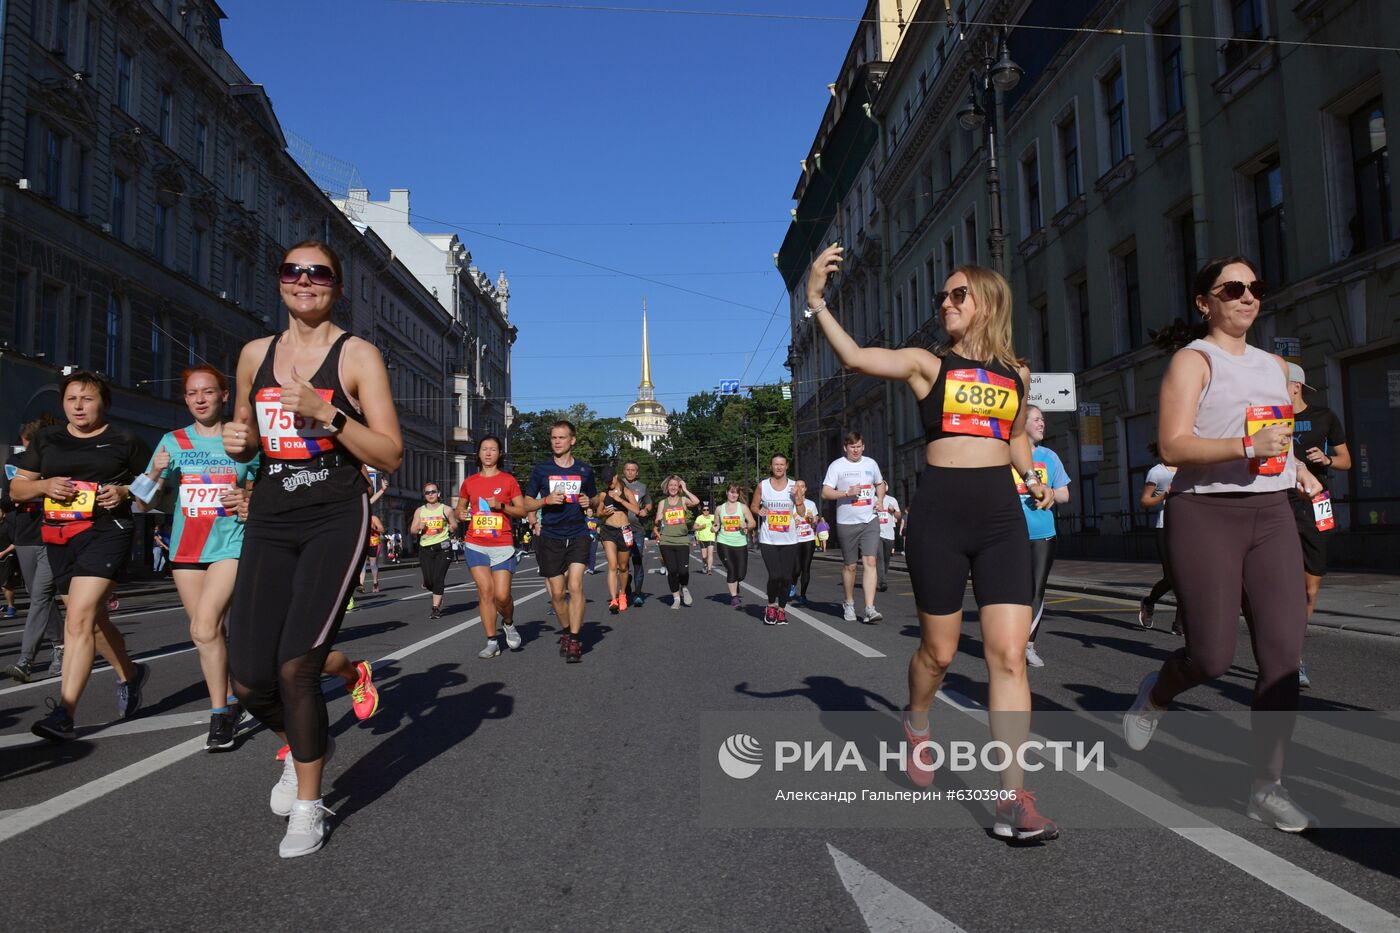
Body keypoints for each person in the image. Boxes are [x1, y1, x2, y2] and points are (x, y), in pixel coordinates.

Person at [807, 246, 1060, 841]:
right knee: (939, 654)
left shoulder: (1016, 375)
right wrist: (817, 299)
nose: (944, 304)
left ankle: (1011, 799)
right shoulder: (927, 364)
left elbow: (1018, 435)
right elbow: (856, 356)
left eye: (957, 295)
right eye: (942, 296)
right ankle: (917, 721)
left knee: (1008, 656)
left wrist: (1035, 478)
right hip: (941, 516)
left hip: (1002, 517)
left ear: (987, 303)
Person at [1123, 256, 1323, 833]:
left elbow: (1275, 439)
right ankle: (1157, 694)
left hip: (1272, 516)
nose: (1246, 296)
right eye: (1231, 288)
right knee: (1210, 657)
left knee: (1282, 660)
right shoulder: (1193, 361)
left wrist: (1297, 473)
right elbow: (1172, 447)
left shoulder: (1278, 367)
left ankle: (1268, 787)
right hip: (1204, 514)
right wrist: (1246, 443)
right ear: (1203, 302)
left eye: (1254, 287)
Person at [221, 240, 403, 857]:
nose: (305, 282)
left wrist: (328, 414)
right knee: (247, 678)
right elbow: (247, 445)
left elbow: (389, 453)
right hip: (271, 514)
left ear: (337, 286)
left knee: (297, 666)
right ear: (278, 284)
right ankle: (303, 745)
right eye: (293, 272)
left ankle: (309, 803)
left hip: (334, 514)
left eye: (318, 273)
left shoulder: (358, 355)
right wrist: (237, 441)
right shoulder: (254, 355)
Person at [12, 371, 151, 740]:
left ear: (103, 402)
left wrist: (124, 491)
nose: (78, 406)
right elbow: (17, 487)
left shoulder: (124, 439)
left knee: (78, 619)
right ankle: (131, 673)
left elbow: (153, 490)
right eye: (72, 398)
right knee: (91, 620)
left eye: (87, 398)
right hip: (59, 535)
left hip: (107, 532)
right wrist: (44, 485)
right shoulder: (47, 438)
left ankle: (64, 712)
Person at [134, 365, 260, 750]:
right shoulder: (172, 441)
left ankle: (220, 715)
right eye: (192, 393)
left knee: (203, 629)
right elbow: (141, 503)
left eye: (208, 392)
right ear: (185, 399)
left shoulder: (241, 441)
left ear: (225, 395)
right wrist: (154, 473)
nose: (200, 399)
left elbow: (261, 493)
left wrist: (248, 499)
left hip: (230, 545)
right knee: (210, 634)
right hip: (186, 549)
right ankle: (236, 698)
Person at [1286, 363, 1350, 689]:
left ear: (1295, 385)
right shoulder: (1265, 417)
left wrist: (1325, 461)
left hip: (1318, 501)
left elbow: (1346, 460)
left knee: (1310, 587)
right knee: (1285, 585)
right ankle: (1293, 657)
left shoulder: (1324, 415)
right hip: (1280, 502)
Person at [521, 420, 598, 663]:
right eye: (553, 437)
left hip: (578, 534)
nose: (557, 442)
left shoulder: (584, 471)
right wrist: (545, 502)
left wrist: (589, 503)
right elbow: (525, 503)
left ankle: (574, 639)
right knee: (557, 594)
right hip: (551, 536)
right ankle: (566, 631)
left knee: (575, 585)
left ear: (572, 440)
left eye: (562, 437)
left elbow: (595, 500)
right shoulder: (541, 470)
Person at [3, 416, 64, 682]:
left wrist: (34, 492)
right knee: (38, 594)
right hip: (26, 536)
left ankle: (25, 660)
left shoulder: (60, 461)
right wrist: (42, 490)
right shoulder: (17, 463)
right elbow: (10, 496)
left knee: (40, 594)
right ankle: (62, 644)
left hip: (54, 534)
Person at [455, 435, 526, 659]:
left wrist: (502, 506)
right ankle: (491, 640)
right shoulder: (470, 482)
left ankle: (508, 623)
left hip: (502, 543)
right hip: (475, 543)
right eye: (484, 449)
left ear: (499, 454)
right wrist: (461, 514)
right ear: (478, 453)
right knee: (486, 592)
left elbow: (522, 511)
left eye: (493, 449)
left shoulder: (508, 481)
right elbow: (460, 509)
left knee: (502, 595)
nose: (488, 453)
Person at [1017, 405, 1071, 668]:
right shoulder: (1007, 455)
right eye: (1037, 419)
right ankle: (1008, 641)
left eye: (1043, 420)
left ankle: (1028, 646)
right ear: (1022, 423)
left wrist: (1047, 489)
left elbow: (1064, 495)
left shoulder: (1049, 456)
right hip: (1010, 533)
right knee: (1013, 590)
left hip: (1043, 534)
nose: (1042, 424)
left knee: (1036, 589)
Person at [822, 433, 886, 624]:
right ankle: (849, 602)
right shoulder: (837, 466)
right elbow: (825, 492)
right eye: (852, 447)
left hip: (869, 520)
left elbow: (879, 484)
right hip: (847, 523)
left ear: (863, 447)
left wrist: (880, 500)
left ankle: (869, 608)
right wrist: (846, 493)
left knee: (870, 561)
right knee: (850, 566)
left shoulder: (871, 464)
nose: (855, 450)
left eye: (858, 446)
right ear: (845, 448)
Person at [752, 454, 799, 626]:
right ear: (771, 467)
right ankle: (771, 605)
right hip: (768, 539)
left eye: (781, 464)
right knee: (775, 575)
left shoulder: (794, 486)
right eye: (775, 464)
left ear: (786, 466)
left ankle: (781, 610)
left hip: (789, 539)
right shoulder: (763, 486)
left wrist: (798, 497)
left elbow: (800, 512)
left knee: (786, 578)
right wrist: (759, 511)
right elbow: (754, 506)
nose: (778, 467)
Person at [1138, 450, 1180, 635]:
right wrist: (1163, 497)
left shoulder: (1189, 469)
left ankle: (1180, 625)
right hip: (1165, 527)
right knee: (1172, 577)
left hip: (1187, 528)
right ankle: (1149, 602)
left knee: (1185, 577)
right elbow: (1145, 501)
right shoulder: (1157, 472)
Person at [411, 481, 457, 620]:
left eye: (433, 492)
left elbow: (454, 524)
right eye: (427, 492)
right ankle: (429, 583)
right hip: (425, 548)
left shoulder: (446, 509)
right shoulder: (420, 511)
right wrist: (419, 526)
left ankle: (435, 608)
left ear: (439, 493)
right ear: (424, 495)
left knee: (438, 577)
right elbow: (412, 530)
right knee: (429, 580)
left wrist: (451, 528)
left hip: (443, 547)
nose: (430, 494)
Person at [653, 475, 700, 610]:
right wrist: (661, 516)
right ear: (667, 487)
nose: (673, 487)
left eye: (676, 485)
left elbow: (696, 501)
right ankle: (676, 598)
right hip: (666, 540)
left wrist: (685, 489)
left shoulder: (683, 500)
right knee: (672, 571)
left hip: (682, 540)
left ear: (678, 487)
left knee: (683, 571)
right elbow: (657, 520)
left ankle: (684, 588)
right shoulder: (663, 502)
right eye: (671, 485)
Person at [598, 471, 640, 614]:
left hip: (624, 531)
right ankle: (613, 599)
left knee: (623, 567)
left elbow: (636, 510)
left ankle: (622, 594)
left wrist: (620, 500)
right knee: (612, 565)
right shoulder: (603, 494)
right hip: (608, 530)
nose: (608, 483)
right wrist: (604, 513)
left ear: (615, 476)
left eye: (610, 480)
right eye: (606, 481)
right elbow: (598, 513)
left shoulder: (626, 492)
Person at [714, 483, 755, 609]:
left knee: (741, 574)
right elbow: (716, 524)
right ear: (727, 492)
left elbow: (752, 522)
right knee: (731, 569)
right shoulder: (720, 509)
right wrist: (714, 528)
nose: (733, 495)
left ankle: (735, 582)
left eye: (736, 493)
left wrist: (747, 526)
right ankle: (734, 597)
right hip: (724, 542)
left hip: (740, 543)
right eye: (731, 492)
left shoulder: (742, 508)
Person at [622, 460, 652, 606]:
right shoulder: (617, 485)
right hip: (620, 529)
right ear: (623, 471)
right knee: (622, 564)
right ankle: (626, 590)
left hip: (637, 529)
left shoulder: (642, 487)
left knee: (637, 561)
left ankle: (638, 594)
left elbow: (649, 503)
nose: (630, 472)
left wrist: (646, 509)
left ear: (637, 472)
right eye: (627, 469)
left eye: (633, 470)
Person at [792, 480, 819, 606]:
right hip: (794, 540)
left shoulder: (811, 504)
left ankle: (803, 595)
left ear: (805, 489)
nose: (800, 488)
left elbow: (815, 521)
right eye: (797, 486)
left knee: (805, 568)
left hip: (808, 539)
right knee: (796, 569)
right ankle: (792, 584)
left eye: (802, 486)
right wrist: (793, 523)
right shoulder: (790, 503)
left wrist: (814, 520)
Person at [875, 491, 902, 592]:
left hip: (889, 534)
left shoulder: (892, 500)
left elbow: (899, 516)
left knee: (886, 559)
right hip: (877, 534)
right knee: (880, 558)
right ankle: (882, 582)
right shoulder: (873, 499)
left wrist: (893, 510)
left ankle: (883, 577)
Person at [359, 515, 384, 594]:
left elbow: (382, 530)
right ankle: (361, 585)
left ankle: (375, 583)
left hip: (373, 543)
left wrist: (374, 528)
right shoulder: (359, 518)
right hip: (363, 543)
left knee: (373, 564)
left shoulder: (373, 518)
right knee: (362, 565)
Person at [0, 511, 18, 618]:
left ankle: (11, 607)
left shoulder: (8, 526)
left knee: (5, 584)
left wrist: (3, 553)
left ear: (4, 514)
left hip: (7, 557)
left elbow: (15, 543)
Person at [693, 503, 716, 574]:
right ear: (702, 511)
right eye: (704, 510)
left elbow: (718, 524)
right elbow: (694, 527)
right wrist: (700, 527)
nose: (706, 511)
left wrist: (715, 527)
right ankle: (705, 564)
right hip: (702, 538)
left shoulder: (713, 517)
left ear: (709, 510)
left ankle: (709, 569)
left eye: (707, 509)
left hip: (711, 537)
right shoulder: (699, 518)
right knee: (704, 556)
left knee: (710, 554)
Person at [584, 507, 600, 573]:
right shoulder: (584, 519)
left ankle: (592, 568)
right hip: (586, 538)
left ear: (593, 512)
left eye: (591, 511)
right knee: (587, 554)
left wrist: (597, 535)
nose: (590, 513)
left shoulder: (596, 520)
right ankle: (589, 566)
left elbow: (598, 527)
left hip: (594, 539)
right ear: (586, 512)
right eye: (588, 511)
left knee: (592, 553)